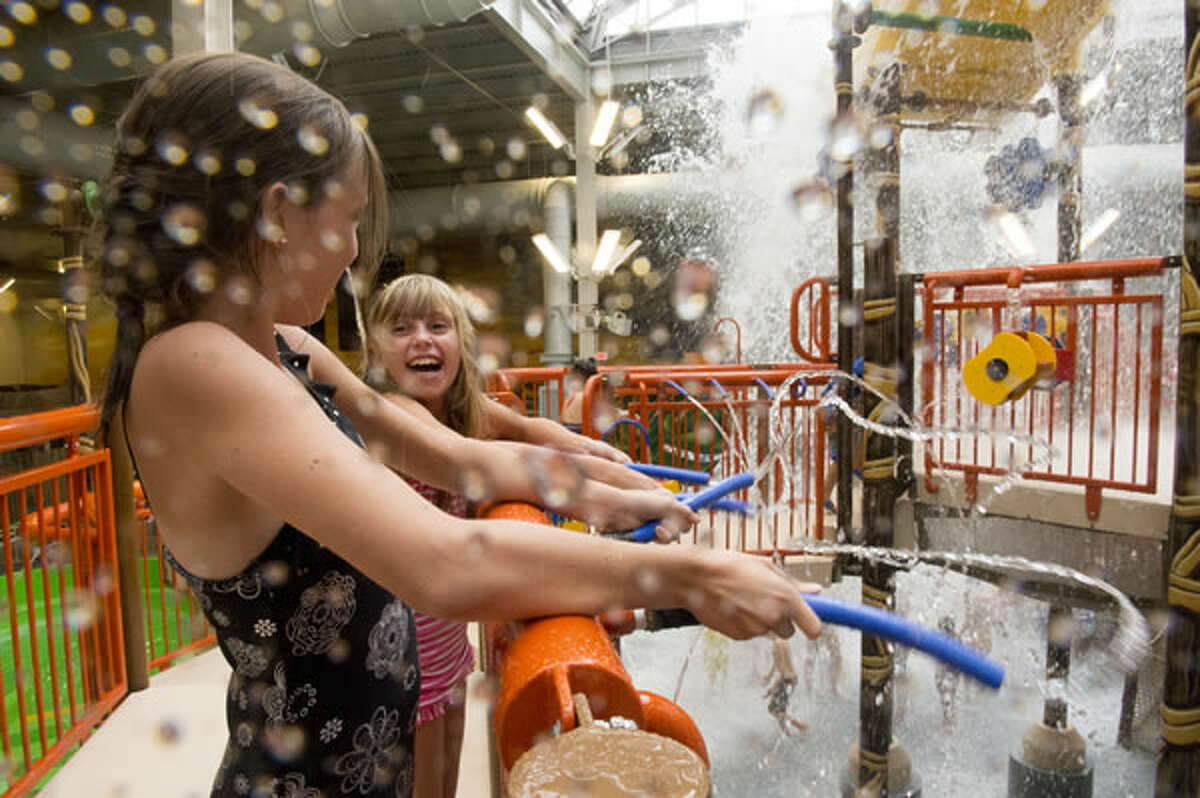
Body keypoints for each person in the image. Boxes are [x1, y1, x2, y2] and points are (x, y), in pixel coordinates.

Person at [96, 51, 822, 797]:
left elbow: (457, 459)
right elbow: (445, 560)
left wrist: (610, 493)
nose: (351, 253)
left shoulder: (291, 350)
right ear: (278, 213)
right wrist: (690, 576)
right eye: (346, 223)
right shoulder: (194, 365)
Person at [361, 274, 628, 797]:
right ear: (375, 350)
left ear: (460, 342)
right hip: (397, 654)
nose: (422, 338)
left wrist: (602, 456)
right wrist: (614, 486)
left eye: (438, 326)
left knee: (446, 780)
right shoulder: (393, 416)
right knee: (423, 785)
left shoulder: (463, 414)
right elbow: (500, 458)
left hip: (446, 643)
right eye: (402, 328)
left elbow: (532, 433)